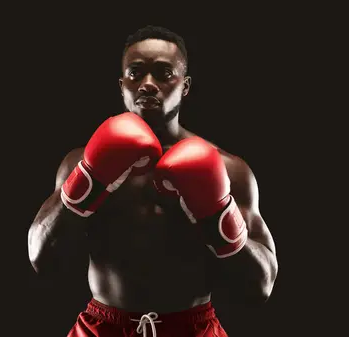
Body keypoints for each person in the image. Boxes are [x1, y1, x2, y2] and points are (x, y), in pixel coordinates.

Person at [27, 25, 279, 337]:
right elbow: (41, 258)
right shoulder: (79, 162)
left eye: (163, 73)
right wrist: (87, 181)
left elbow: (261, 286)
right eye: (136, 73)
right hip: (102, 328)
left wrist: (219, 217)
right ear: (122, 85)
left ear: (184, 85)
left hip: (193, 329)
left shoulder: (229, 169)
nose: (148, 84)